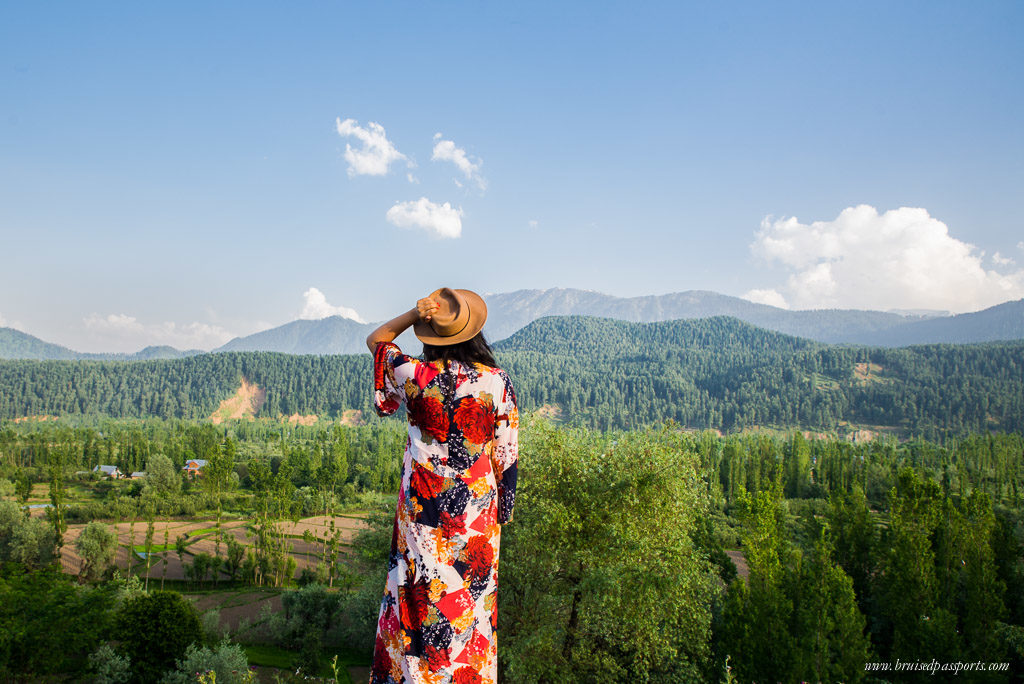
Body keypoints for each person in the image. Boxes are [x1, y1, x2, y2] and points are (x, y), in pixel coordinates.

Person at [365, 287, 519, 684]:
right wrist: (504, 512)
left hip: (423, 511)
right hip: (476, 519)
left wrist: (412, 314)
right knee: (472, 607)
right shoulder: (496, 382)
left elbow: (377, 340)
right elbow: (507, 455)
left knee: (419, 600)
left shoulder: (413, 374)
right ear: (474, 333)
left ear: (428, 333)